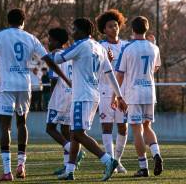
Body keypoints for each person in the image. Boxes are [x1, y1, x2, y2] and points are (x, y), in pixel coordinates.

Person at [0, 8, 70, 181]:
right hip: (24, 85)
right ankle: (21, 165)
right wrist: (65, 78)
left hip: (6, 86)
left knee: (5, 127)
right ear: (23, 21)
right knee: (22, 124)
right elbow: (48, 61)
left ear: (8, 21)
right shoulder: (30, 37)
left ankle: (7, 171)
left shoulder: (0, 35)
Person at [42, 18, 127, 181]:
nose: (72, 33)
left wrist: (41, 53)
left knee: (79, 134)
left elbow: (57, 59)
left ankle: (108, 160)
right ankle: (70, 170)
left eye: (74, 29)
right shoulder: (100, 47)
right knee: (74, 134)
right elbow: (110, 75)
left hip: (82, 96)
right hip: (92, 95)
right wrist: (120, 96)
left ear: (81, 31)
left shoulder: (81, 45)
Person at [113, 16, 163, 177]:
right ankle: (156, 153)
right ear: (146, 29)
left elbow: (119, 75)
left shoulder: (127, 48)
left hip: (133, 94)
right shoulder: (154, 48)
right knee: (147, 126)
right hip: (149, 91)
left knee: (136, 130)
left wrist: (115, 95)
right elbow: (155, 68)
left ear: (132, 29)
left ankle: (143, 167)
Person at [45, 27, 85, 175]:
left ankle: (72, 149)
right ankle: (68, 165)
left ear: (56, 42)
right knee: (65, 130)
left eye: (50, 40)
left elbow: (54, 79)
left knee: (50, 128)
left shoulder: (54, 56)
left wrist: (50, 98)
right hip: (72, 95)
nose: (48, 43)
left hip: (59, 96)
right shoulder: (69, 54)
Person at [96, 9, 128, 174]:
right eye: (110, 26)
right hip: (105, 91)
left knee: (123, 128)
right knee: (107, 127)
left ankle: (118, 161)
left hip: (122, 93)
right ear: (104, 29)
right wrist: (106, 61)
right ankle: (110, 161)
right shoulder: (100, 47)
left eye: (116, 25)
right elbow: (96, 71)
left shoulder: (126, 46)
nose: (114, 28)